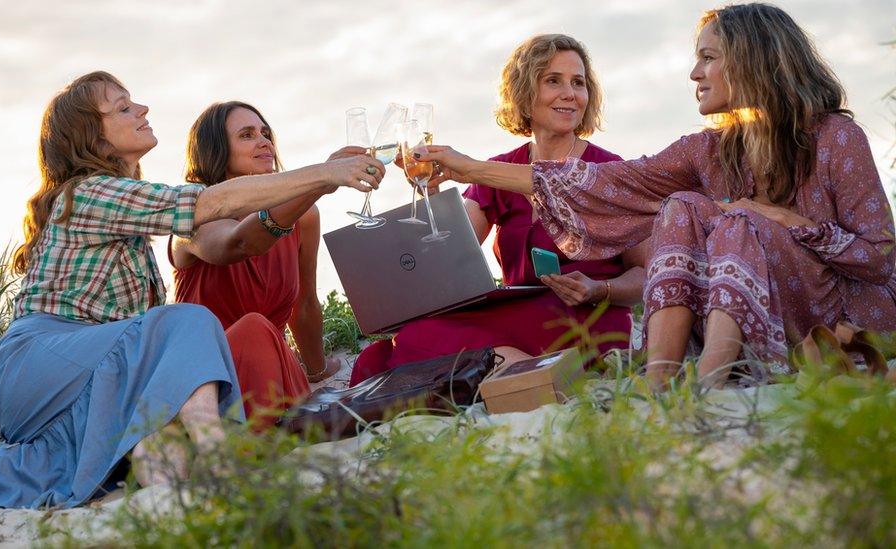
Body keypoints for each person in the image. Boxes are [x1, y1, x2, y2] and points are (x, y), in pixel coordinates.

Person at [0, 71, 383, 509]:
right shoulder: (89, 194)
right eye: (123, 107)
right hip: (41, 363)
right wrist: (325, 174)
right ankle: (220, 460)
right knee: (187, 320)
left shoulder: (129, 222)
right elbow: (214, 206)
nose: (143, 108)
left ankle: (171, 506)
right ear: (93, 136)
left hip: (88, 385)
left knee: (161, 439)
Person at [419, 3, 896, 390]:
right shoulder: (706, 149)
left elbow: (879, 259)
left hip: (836, 310)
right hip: (750, 314)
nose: (694, 73)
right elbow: (606, 184)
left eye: (708, 57)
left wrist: (780, 219)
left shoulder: (835, 136)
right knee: (684, 205)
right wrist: (466, 168)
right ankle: (660, 375)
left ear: (752, 59)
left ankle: (709, 376)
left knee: (739, 221)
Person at [350, 34, 645, 386]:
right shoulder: (498, 171)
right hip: (516, 314)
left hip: (589, 316)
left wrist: (601, 290)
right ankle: (516, 367)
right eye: (553, 80)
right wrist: (431, 192)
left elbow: (646, 274)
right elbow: (448, 258)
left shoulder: (609, 171)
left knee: (416, 349)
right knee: (411, 337)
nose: (570, 93)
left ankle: (504, 369)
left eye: (578, 83)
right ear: (525, 93)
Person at [170, 101, 357, 429]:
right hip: (209, 383)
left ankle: (287, 436)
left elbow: (304, 305)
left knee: (264, 334)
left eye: (265, 133)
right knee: (254, 328)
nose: (264, 141)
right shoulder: (194, 216)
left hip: (274, 376)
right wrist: (316, 183)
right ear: (216, 151)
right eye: (246, 135)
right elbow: (238, 244)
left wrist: (317, 371)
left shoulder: (305, 216)